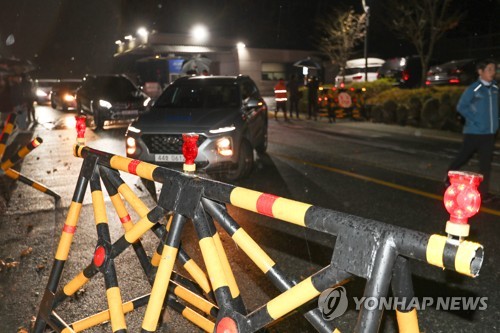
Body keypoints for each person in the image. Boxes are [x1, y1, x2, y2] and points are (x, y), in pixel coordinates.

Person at [444, 59, 499, 202]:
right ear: (480, 72)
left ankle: (483, 194)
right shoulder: (474, 89)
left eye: (494, 69)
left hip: (489, 133)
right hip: (474, 132)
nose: (493, 73)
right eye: (489, 69)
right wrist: (475, 120)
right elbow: (461, 107)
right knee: (463, 157)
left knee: (485, 165)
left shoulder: (495, 89)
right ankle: (448, 176)